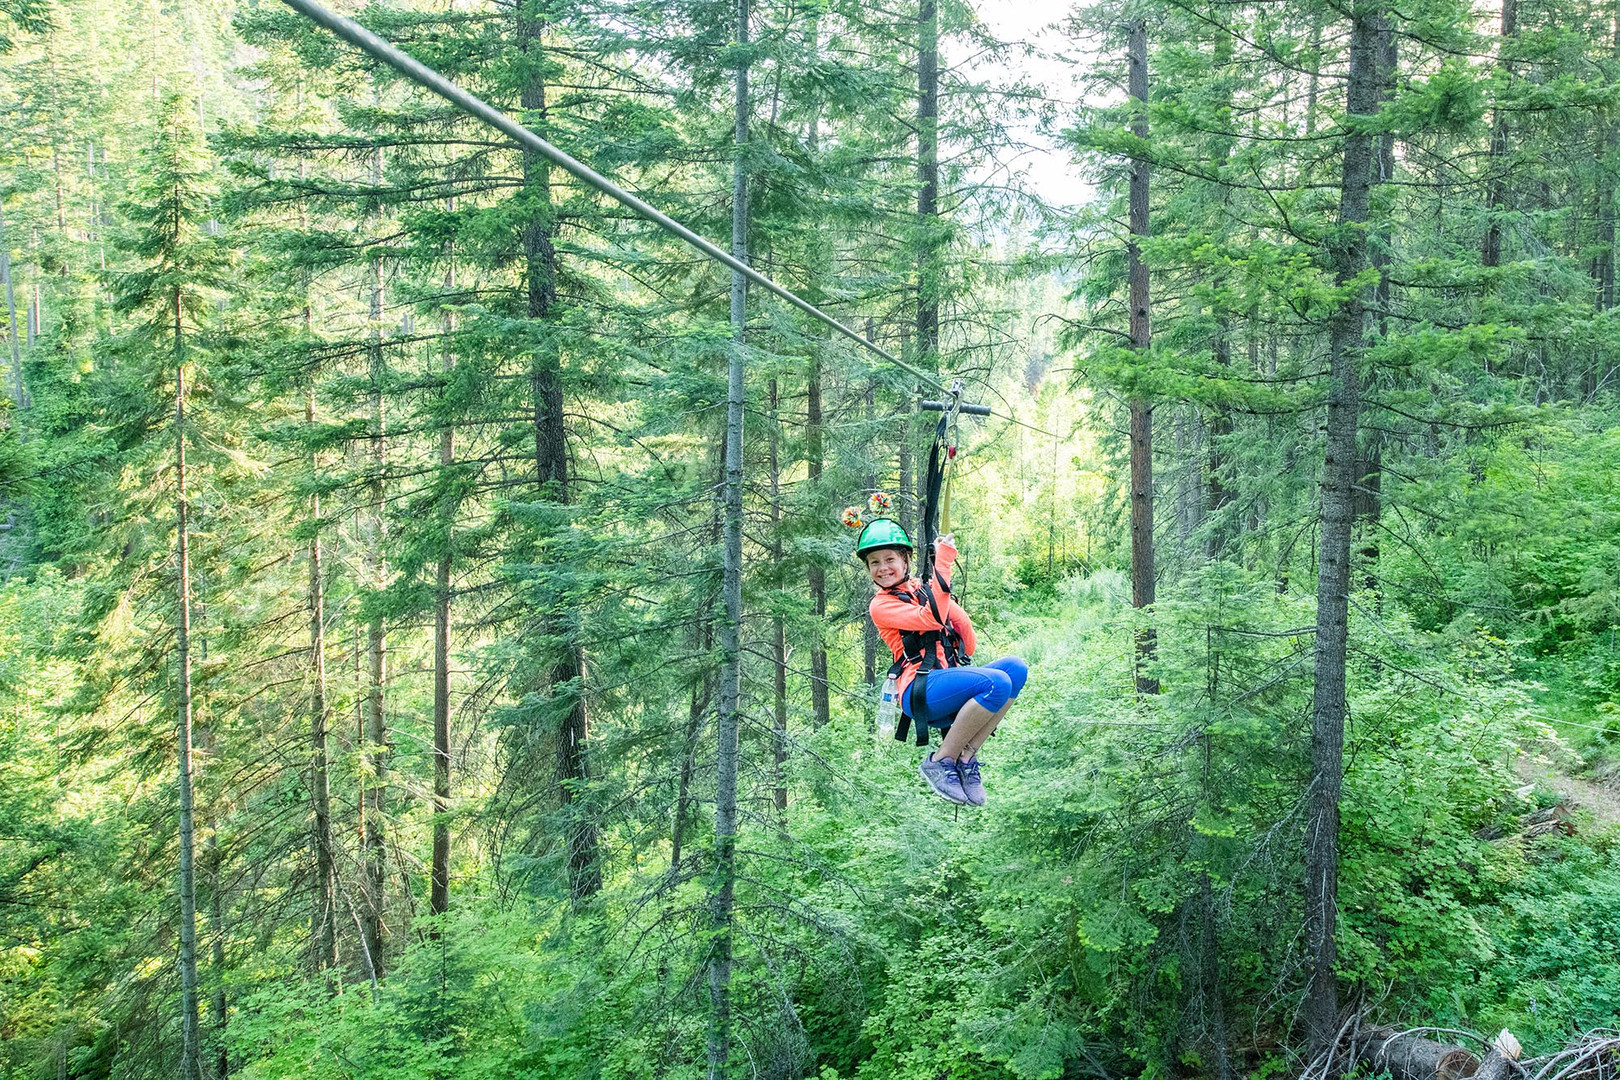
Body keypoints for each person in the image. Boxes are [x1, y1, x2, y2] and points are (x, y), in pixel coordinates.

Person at [855, 518, 1028, 806]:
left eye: (889, 559)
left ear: (906, 560)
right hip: (919, 691)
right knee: (997, 683)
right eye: (874, 562)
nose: (883, 567)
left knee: (1015, 669)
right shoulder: (881, 605)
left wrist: (937, 589)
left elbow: (967, 641)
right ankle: (940, 760)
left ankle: (966, 756)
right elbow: (930, 619)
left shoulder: (923, 591)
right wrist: (943, 564)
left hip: (947, 681)